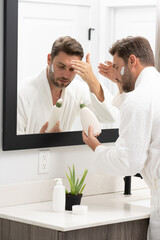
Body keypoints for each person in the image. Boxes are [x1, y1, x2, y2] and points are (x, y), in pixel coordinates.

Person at [82, 36, 160, 240]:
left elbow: (129, 163)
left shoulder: (138, 99)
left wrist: (96, 146)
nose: (115, 72)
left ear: (132, 61)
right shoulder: (153, 90)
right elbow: (141, 112)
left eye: (118, 66)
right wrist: (120, 81)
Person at [17, 36, 118, 134]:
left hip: (60, 151)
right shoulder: (22, 93)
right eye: (61, 66)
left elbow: (110, 117)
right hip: (29, 152)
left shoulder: (77, 90)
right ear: (49, 59)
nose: (66, 75)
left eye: (72, 69)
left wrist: (92, 80)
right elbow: (10, 144)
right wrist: (38, 141)